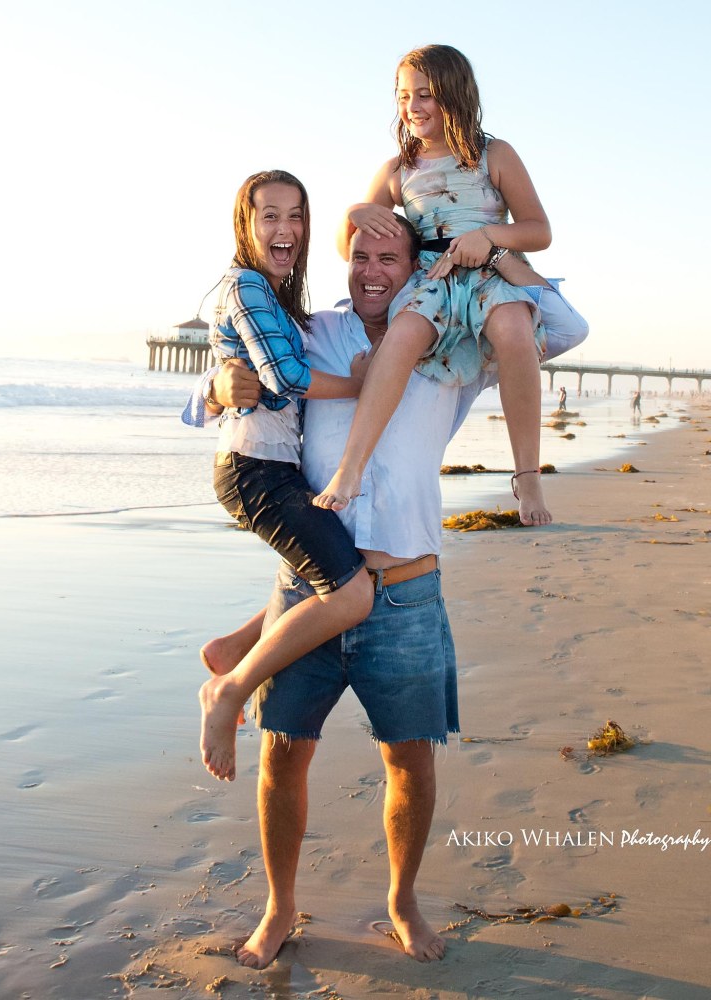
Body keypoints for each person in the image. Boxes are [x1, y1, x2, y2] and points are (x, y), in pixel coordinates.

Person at [190, 219, 588, 968]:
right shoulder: (312, 334)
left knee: (412, 763)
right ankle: (278, 907)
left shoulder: (453, 348)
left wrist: (494, 251)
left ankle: (402, 901)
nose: (372, 271)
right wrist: (212, 390)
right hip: (311, 590)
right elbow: (229, 381)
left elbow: (562, 329)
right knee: (282, 755)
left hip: (406, 593)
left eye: (389, 258)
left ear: (417, 268)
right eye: (361, 257)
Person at [313, 44, 569, 527]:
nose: (412, 107)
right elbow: (349, 247)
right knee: (402, 336)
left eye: (425, 95)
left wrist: (488, 236)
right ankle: (351, 468)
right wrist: (353, 214)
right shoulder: (396, 170)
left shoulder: (494, 154)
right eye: (403, 95)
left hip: (492, 271)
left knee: (514, 330)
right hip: (432, 276)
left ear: (455, 94)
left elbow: (539, 230)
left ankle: (527, 473)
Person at [196, 170, 375, 783]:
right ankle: (230, 689)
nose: (286, 228)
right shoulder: (246, 286)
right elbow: (285, 377)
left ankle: (233, 648)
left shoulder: (276, 298)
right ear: (246, 227)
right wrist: (368, 386)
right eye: (270, 215)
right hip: (254, 471)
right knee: (351, 593)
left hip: (273, 467)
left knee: (315, 570)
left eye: (296, 215)